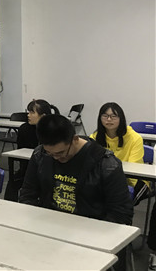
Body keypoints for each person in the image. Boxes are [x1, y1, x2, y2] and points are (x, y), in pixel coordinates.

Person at [19, 114, 132, 271]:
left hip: (89, 237)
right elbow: (28, 194)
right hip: (49, 231)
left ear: (75, 139)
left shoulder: (105, 164)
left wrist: (87, 239)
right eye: (50, 153)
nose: (56, 158)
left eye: (61, 153)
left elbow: (121, 214)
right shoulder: (41, 155)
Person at [90, 102, 147, 204]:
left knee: (121, 202)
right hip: (104, 178)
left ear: (121, 118)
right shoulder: (94, 137)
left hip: (132, 179)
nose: (109, 119)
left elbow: (133, 168)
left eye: (113, 116)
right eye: (105, 116)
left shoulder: (135, 138)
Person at [4, 99, 59, 201]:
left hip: (50, 170)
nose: (28, 115)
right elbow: (20, 150)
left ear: (43, 116)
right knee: (13, 182)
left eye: (32, 112)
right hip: (27, 168)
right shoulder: (24, 128)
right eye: (28, 112)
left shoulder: (53, 130)